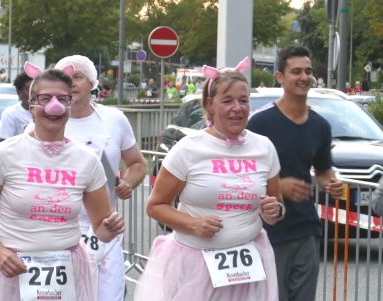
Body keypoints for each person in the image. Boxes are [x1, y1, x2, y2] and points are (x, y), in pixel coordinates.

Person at [0, 63, 125, 301]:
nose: (53, 106)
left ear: (69, 105)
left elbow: (101, 229)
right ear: (31, 107)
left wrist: (110, 228)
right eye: (45, 99)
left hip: (64, 270)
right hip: (10, 271)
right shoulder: (6, 153)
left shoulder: (87, 160)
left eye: (62, 99)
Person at [135, 57, 283, 301]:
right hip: (196, 266)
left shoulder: (264, 147)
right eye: (227, 101)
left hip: (249, 266)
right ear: (210, 105)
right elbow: (155, 205)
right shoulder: (188, 149)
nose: (237, 107)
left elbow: (277, 205)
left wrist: (274, 211)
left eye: (243, 100)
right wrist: (193, 224)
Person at [247, 45, 344, 301]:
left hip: (306, 228)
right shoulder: (259, 123)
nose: (304, 77)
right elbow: (241, 175)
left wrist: (331, 184)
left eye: (308, 71)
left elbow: (323, 170)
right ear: (280, 76)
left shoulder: (320, 125)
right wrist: (278, 186)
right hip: (268, 230)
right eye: (296, 71)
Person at [53, 55, 146, 301]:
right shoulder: (46, 122)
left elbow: (137, 163)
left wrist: (128, 183)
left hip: (104, 229)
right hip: (57, 228)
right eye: (65, 77)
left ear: (92, 82)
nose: (71, 83)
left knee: (107, 295)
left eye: (78, 77)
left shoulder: (114, 119)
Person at [0, 72, 32, 140]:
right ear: (19, 93)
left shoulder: (45, 113)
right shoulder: (10, 114)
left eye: (36, 90)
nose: (33, 94)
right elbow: (5, 145)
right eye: (29, 90)